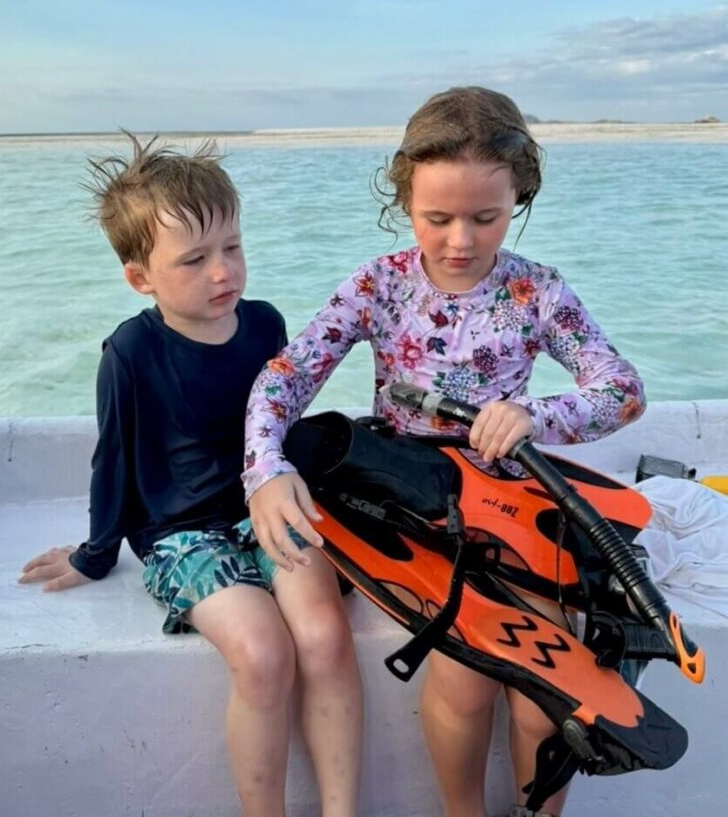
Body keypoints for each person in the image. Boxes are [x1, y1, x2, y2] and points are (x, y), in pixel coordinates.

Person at [241, 87, 646, 817]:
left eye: (486, 218)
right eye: (438, 218)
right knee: (465, 681)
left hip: (513, 504)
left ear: (519, 195)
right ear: (404, 199)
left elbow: (621, 390)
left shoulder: (536, 291)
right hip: (409, 501)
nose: (461, 239)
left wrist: (534, 415)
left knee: (545, 692)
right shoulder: (379, 285)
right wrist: (266, 468)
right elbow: (286, 376)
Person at [19, 135, 363, 817]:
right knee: (264, 653)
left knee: (323, 635)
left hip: (267, 508)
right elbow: (112, 458)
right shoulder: (132, 350)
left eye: (231, 247)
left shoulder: (264, 325)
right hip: (183, 535)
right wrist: (95, 554)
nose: (222, 272)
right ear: (140, 276)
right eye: (195, 259)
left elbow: (282, 430)